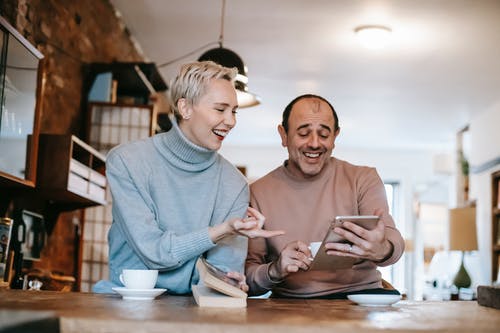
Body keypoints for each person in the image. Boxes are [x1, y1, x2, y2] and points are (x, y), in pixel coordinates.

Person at [94, 61, 282, 294]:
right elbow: (154, 252)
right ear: (185, 108)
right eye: (220, 109)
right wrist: (221, 230)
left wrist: (229, 281)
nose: (231, 121)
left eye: (234, 111)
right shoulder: (127, 161)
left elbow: (221, 271)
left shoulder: (234, 184)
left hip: (196, 307)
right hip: (127, 303)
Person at [245, 94, 404, 298]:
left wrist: (382, 249)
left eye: (324, 134)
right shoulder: (259, 192)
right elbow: (248, 278)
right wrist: (275, 270)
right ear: (283, 135)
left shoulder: (363, 178)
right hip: (292, 304)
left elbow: (393, 240)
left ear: (335, 137)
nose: (314, 143)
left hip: (361, 296)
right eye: (303, 133)